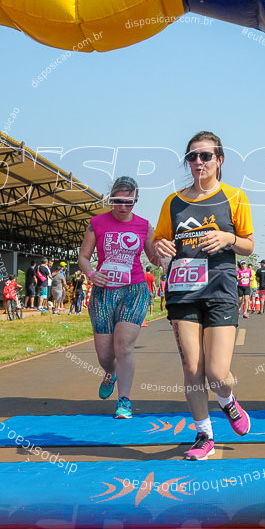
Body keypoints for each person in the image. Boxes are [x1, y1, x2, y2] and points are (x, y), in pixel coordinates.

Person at [153, 131, 254, 460]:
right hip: (182, 293)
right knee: (192, 369)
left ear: (219, 160)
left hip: (221, 290)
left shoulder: (235, 197)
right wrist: (160, 247)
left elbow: (249, 245)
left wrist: (227, 238)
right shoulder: (173, 202)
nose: (198, 162)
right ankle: (203, 434)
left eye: (205, 156)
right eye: (192, 157)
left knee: (216, 373)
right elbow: (156, 249)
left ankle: (228, 401)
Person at [78, 176, 159, 419]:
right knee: (105, 356)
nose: (123, 207)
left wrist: (165, 259)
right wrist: (92, 274)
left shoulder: (144, 225)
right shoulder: (96, 223)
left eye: (129, 202)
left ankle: (124, 400)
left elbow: (154, 258)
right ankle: (110, 373)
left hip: (134, 290)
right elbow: (83, 257)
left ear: (136, 201)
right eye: (118, 201)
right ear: (110, 199)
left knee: (123, 345)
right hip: (103, 292)